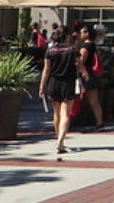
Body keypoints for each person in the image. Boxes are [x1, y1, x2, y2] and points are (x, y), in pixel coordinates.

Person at [39, 26, 86, 155]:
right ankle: (61, 140)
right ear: (66, 36)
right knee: (66, 113)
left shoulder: (50, 51)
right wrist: (85, 74)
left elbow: (46, 70)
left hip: (53, 83)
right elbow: (80, 64)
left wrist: (42, 86)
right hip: (68, 83)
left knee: (56, 113)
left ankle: (58, 138)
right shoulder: (72, 50)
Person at [78, 24, 106, 130]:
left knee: (89, 100)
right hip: (92, 73)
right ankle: (100, 122)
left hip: (85, 74)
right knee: (95, 100)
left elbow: (80, 61)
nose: (80, 34)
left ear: (87, 33)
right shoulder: (92, 45)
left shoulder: (85, 47)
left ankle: (98, 122)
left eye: (82, 32)